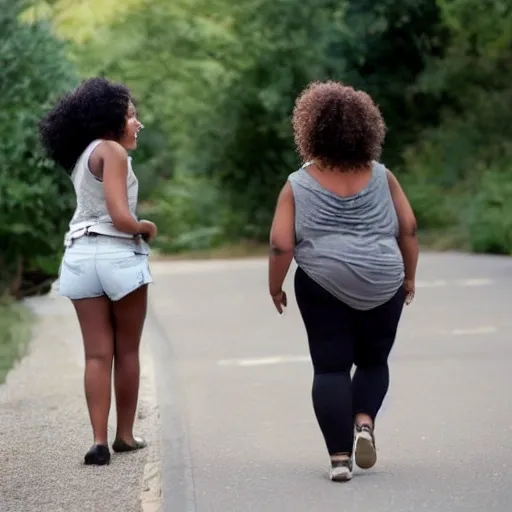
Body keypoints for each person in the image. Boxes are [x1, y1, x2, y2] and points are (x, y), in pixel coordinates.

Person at [268, 81, 418, 482]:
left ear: (309, 129)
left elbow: (281, 244)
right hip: (383, 277)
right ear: (366, 128)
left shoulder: (297, 184)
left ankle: (339, 460)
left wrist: (275, 285)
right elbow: (409, 228)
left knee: (331, 368)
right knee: (373, 361)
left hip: (323, 280)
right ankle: (365, 422)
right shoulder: (383, 176)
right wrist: (409, 277)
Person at [39, 77, 158, 466]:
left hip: (79, 256)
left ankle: (98, 442)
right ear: (111, 119)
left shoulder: (84, 155)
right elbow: (121, 218)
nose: (137, 123)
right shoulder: (113, 152)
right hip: (117, 257)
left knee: (96, 355)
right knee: (126, 350)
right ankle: (124, 436)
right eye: (130, 115)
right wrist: (145, 227)